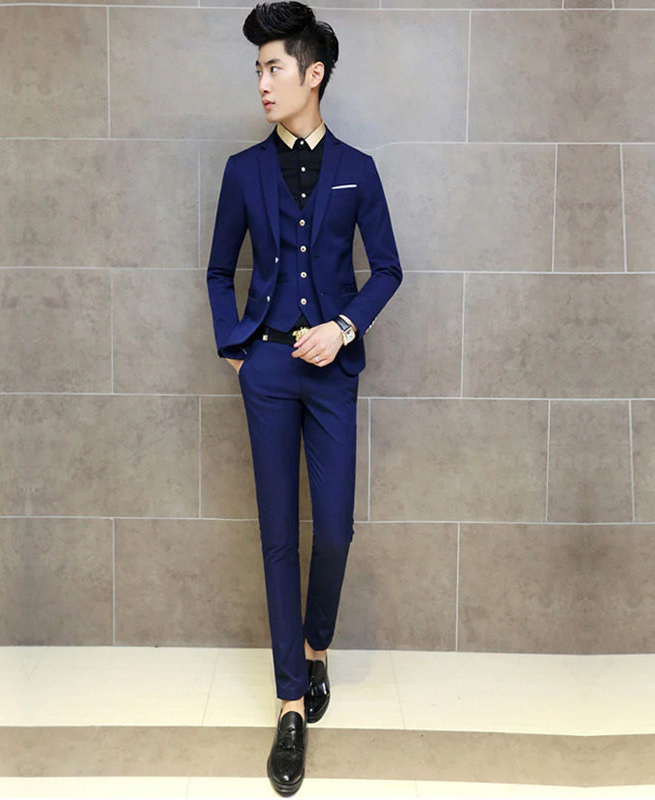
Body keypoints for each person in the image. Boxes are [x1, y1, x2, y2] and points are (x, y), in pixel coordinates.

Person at [206, 1, 402, 793]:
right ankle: (290, 702)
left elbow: (387, 268)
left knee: (336, 530)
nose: (262, 83)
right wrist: (236, 349)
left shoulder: (358, 167)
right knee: (277, 535)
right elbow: (218, 271)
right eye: (257, 70)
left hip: (330, 375)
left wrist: (344, 328)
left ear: (312, 74)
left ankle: (317, 645)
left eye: (274, 68)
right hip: (267, 371)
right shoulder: (243, 171)